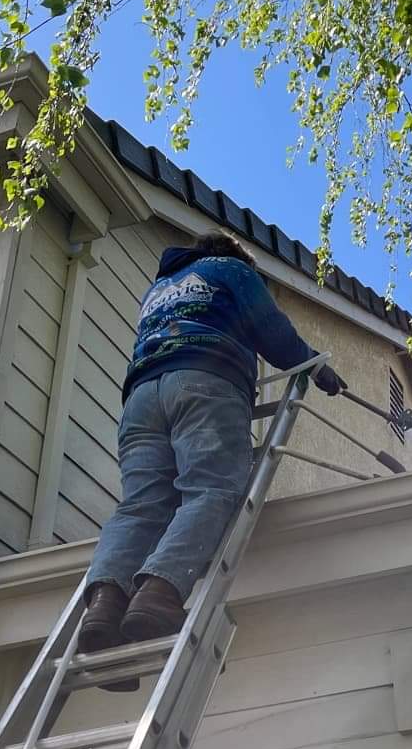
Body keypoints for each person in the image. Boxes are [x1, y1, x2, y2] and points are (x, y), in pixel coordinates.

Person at [79, 231, 345, 659]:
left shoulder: (158, 289)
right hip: (204, 379)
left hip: (142, 398)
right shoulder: (231, 269)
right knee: (211, 488)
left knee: (141, 506)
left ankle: (104, 607)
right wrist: (314, 367)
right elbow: (271, 328)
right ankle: (160, 592)